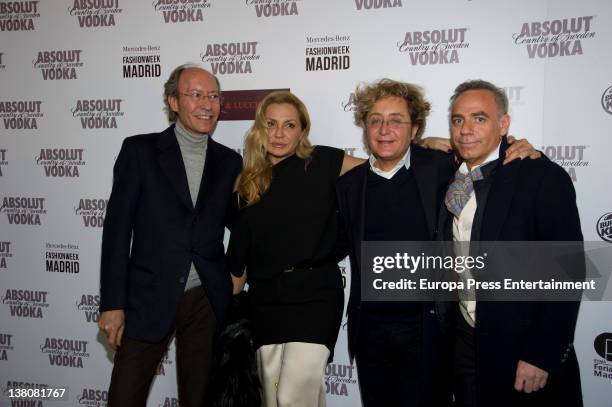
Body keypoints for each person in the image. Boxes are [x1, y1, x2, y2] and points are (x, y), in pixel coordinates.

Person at [335, 79, 540, 407]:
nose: (385, 129)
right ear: (365, 127)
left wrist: (518, 147)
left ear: (414, 128)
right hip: (371, 334)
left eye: (396, 120)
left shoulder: (442, 169)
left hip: (430, 330)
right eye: (375, 119)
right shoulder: (349, 186)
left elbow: (486, 157)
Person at [98, 63, 242, 407]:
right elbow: (117, 233)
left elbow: (243, 224)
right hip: (148, 297)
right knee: (124, 397)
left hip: (206, 299)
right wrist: (113, 304)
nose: (207, 103)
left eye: (213, 96)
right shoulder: (139, 152)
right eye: (195, 95)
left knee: (201, 398)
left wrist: (238, 270)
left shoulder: (229, 162)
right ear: (173, 102)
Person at [439, 79, 583, 407]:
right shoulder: (453, 177)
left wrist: (542, 354)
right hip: (465, 343)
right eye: (458, 120)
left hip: (521, 347)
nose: (465, 129)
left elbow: (569, 270)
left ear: (503, 124)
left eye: (479, 118)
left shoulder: (540, 176)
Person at [227, 90, 363, 407]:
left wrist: (427, 147)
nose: (279, 133)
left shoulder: (326, 162)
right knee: (275, 399)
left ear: (302, 130)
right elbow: (239, 257)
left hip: (315, 297)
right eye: (271, 124)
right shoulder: (246, 183)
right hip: (265, 300)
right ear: (260, 127)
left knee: (291, 397)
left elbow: (384, 167)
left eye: (289, 125)